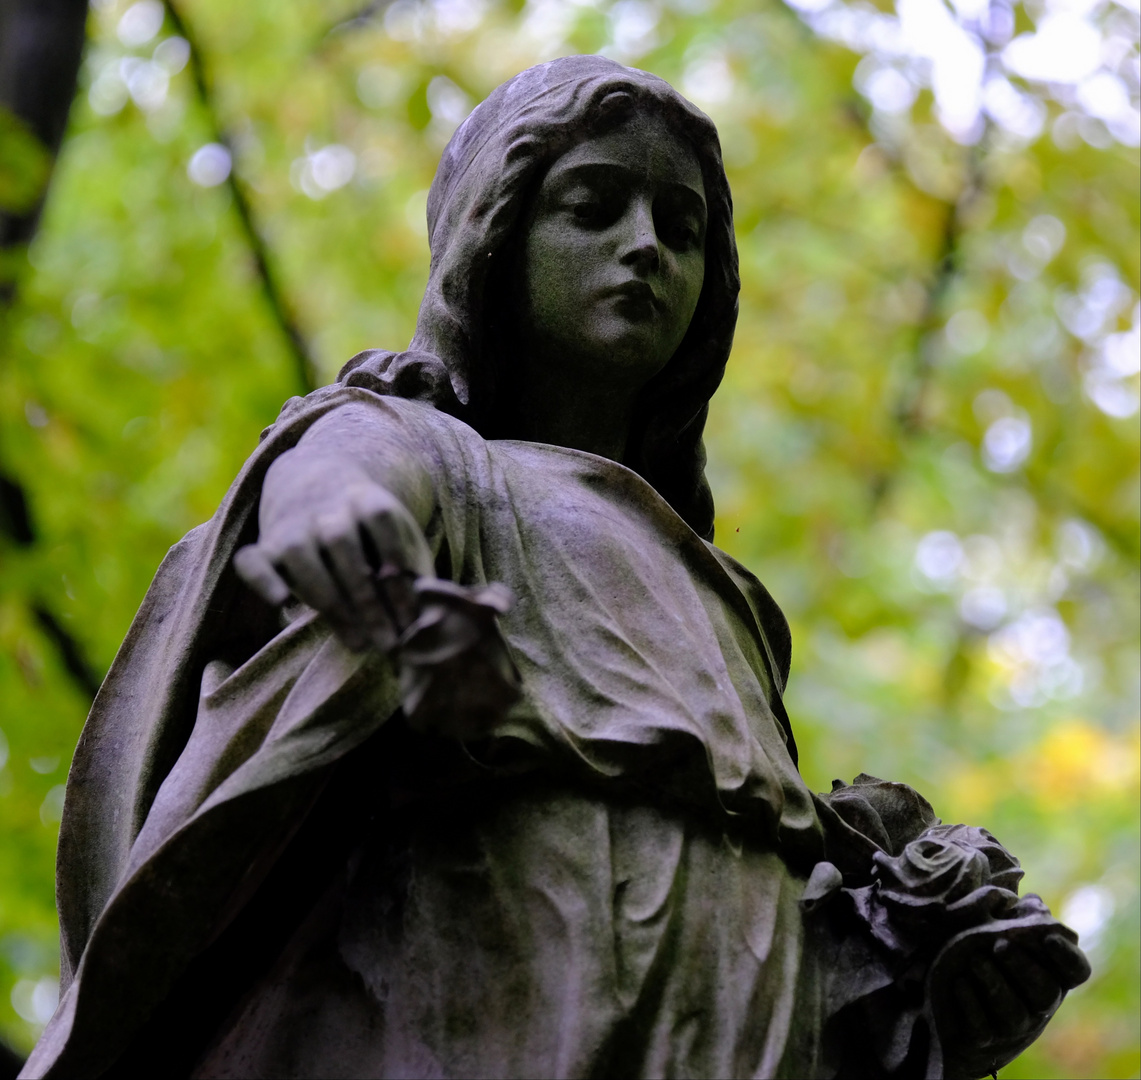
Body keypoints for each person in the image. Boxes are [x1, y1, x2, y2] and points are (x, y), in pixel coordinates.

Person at [21, 56, 1087, 1080]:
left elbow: (764, 893)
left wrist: (920, 991)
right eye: (593, 206)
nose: (646, 249)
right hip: (487, 1005)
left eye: (682, 228)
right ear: (495, 235)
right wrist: (374, 573)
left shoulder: (733, 604)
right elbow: (333, 493)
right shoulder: (426, 447)